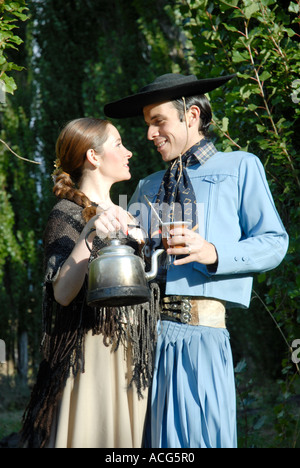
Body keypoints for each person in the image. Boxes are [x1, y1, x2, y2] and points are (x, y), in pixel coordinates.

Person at [103, 73, 289, 448]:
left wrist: (213, 252)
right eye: (147, 126)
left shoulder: (241, 166)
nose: (150, 135)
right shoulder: (146, 185)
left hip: (203, 335)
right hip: (146, 342)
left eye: (158, 122)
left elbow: (274, 242)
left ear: (191, 115)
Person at [21, 117, 160, 449]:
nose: (128, 152)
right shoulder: (66, 214)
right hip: (94, 357)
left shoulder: (130, 215)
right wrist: (88, 235)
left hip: (135, 356)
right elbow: (62, 294)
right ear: (93, 157)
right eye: (118, 144)